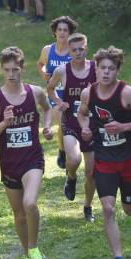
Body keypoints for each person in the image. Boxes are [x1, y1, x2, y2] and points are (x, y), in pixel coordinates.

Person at [78, 46, 131, 259]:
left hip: (129, 158)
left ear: (117, 70)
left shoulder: (127, 93)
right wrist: (85, 129)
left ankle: (129, 198)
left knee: (128, 209)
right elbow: (82, 113)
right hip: (105, 159)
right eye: (102, 68)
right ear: (96, 69)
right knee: (108, 209)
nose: (106, 73)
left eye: (111, 69)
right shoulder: (88, 94)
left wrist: (125, 127)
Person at [0, 46, 53, 259]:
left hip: (32, 158)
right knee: (19, 214)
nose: (11, 74)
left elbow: (47, 108)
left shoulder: (35, 92)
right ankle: (27, 256)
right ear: (1, 70)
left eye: (15, 69)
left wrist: (48, 126)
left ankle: (34, 249)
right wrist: (4, 123)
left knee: (30, 203)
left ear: (22, 67)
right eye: (7, 70)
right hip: (9, 163)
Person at [47, 33, 97, 222]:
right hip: (71, 122)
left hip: (92, 124)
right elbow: (50, 88)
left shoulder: (96, 68)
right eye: (74, 49)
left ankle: (88, 207)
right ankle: (71, 176)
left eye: (81, 49)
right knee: (74, 159)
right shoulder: (62, 71)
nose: (78, 52)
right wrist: (59, 102)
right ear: (68, 51)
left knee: (91, 172)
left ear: (87, 48)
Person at [37, 16, 78, 169]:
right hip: (54, 93)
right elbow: (40, 64)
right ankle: (64, 152)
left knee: (69, 126)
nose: (62, 33)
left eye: (65, 30)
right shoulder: (48, 50)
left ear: (70, 33)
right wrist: (43, 74)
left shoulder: (74, 51)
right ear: (54, 32)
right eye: (59, 30)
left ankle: (64, 150)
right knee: (62, 123)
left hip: (72, 94)